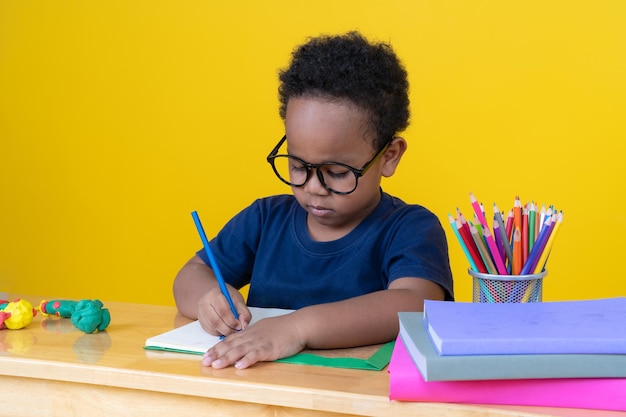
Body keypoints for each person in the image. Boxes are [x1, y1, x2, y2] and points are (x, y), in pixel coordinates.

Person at [173, 31, 454, 369]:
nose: (313, 187)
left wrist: (297, 328)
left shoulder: (409, 228)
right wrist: (208, 298)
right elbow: (191, 275)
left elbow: (414, 304)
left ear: (389, 156)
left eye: (336, 172)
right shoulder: (264, 220)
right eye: (297, 166)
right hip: (262, 395)